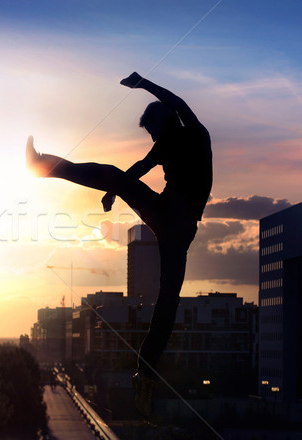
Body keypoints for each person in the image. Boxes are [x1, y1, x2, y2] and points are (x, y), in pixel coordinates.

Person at [26, 72, 212, 416]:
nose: (155, 140)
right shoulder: (164, 145)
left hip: (180, 223)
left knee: (167, 299)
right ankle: (43, 166)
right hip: (164, 212)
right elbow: (140, 167)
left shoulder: (195, 134)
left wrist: (144, 84)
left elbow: (178, 102)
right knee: (113, 173)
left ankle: (146, 374)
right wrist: (114, 189)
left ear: (167, 122)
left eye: (155, 132)